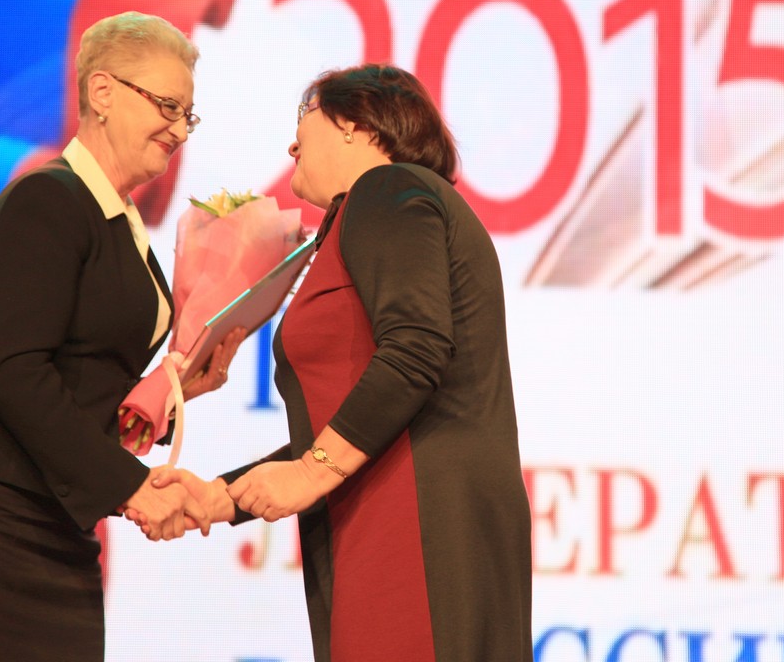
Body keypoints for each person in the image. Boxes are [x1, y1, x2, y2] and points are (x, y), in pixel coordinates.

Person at [0, 11, 243, 661]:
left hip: (55, 518)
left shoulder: (120, 223)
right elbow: (14, 370)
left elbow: (82, 383)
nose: (177, 129)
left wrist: (177, 390)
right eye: (166, 106)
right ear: (101, 92)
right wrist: (131, 486)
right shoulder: (49, 200)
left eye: (187, 115)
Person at [147, 64, 533, 661]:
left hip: (414, 524)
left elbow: (415, 352)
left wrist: (309, 475)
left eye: (305, 114)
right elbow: (355, 419)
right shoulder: (380, 209)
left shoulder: (386, 189)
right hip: (399, 514)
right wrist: (221, 498)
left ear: (356, 124)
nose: (292, 145)